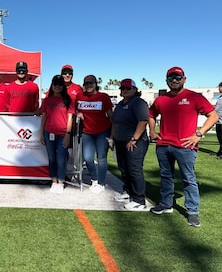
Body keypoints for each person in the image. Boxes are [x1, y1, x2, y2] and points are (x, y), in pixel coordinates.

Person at [149, 66, 218, 227]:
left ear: (184, 79)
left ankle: (192, 211)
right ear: (166, 81)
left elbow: (213, 115)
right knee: (166, 177)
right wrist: (152, 131)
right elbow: (151, 114)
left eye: (178, 77)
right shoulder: (161, 100)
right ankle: (166, 204)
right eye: (171, 78)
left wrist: (199, 134)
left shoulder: (194, 97)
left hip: (186, 146)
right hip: (164, 145)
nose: (174, 80)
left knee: (188, 179)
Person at [110, 79, 149, 210]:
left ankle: (139, 199)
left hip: (135, 142)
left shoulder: (138, 102)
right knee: (123, 168)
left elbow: (143, 121)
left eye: (128, 88)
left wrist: (134, 138)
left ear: (134, 89)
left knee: (134, 169)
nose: (125, 90)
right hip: (120, 141)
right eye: (122, 88)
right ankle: (128, 192)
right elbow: (115, 122)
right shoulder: (121, 104)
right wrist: (113, 139)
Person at [76, 75, 113, 194]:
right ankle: (94, 179)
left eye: (91, 83)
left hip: (103, 131)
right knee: (88, 158)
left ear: (95, 84)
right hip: (87, 132)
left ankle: (101, 183)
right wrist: (78, 113)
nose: (89, 86)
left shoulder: (104, 97)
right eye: (86, 83)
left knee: (101, 158)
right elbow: (75, 109)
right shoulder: (80, 96)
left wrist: (112, 135)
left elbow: (111, 116)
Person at [40, 75, 75, 194]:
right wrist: (41, 134)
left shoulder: (68, 100)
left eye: (60, 84)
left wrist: (68, 135)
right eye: (55, 84)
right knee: (51, 159)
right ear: (52, 85)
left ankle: (61, 182)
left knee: (61, 159)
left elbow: (70, 118)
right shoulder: (47, 100)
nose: (58, 86)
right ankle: (54, 181)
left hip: (63, 135)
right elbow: (43, 118)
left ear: (63, 86)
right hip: (48, 133)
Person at [214, 82, 222, 159]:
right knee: (220, 138)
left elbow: (217, 109)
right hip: (218, 121)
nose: (219, 89)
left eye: (220, 87)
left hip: (221, 121)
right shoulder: (220, 97)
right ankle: (219, 152)